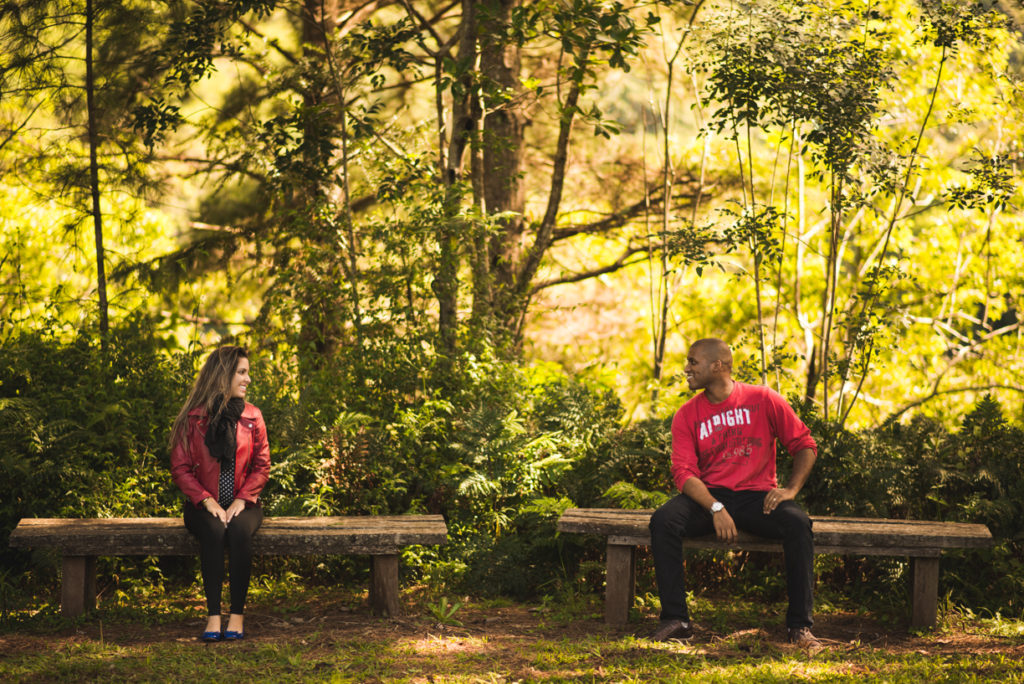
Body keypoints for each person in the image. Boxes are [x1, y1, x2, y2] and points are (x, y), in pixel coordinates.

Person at [648, 338, 820, 650]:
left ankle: (800, 627)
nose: (686, 368)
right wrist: (714, 507)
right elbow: (684, 472)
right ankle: (677, 620)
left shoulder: (763, 399)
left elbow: (804, 445)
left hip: (757, 497)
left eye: (693, 362)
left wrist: (790, 490)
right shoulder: (687, 415)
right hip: (709, 496)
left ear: (717, 365)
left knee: (798, 524)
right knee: (663, 521)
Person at [169, 346, 270, 642]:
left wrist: (242, 499)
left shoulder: (253, 416)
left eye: (247, 372)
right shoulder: (193, 418)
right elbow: (180, 467)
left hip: (245, 503)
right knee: (214, 530)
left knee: (238, 530)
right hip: (202, 504)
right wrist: (206, 500)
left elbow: (262, 465)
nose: (248, 379)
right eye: (241, 372)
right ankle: (213, 615)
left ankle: (237, 614)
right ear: (223, 375)